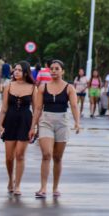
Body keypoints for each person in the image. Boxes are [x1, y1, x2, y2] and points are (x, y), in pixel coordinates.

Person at [32, 59, 80, 199]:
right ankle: (43, 188)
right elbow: (38, 108)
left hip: (62, 122)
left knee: (57, 157)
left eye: (57, 68)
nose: (53, 71)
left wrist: (77, 122)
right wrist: (33, 126)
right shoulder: (42, 87)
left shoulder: (69, 88)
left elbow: (74, 106)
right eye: (52, 68)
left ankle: (55, 187)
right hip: (46, 121)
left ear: (62, 71)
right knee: (46, 154)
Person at [0, 61, 36, 196]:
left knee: (20, 155)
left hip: (25, 121)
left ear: (25, 72)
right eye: (15, 70)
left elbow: (36, 109)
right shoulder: (9, 86)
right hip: (10, 121)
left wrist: (33, 127)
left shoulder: (33, 88)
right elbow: (4, 108)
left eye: (19, 70)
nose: (16, 72)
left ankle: (18, 184)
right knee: (9, 157)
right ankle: (10, 180)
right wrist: (0, 125)